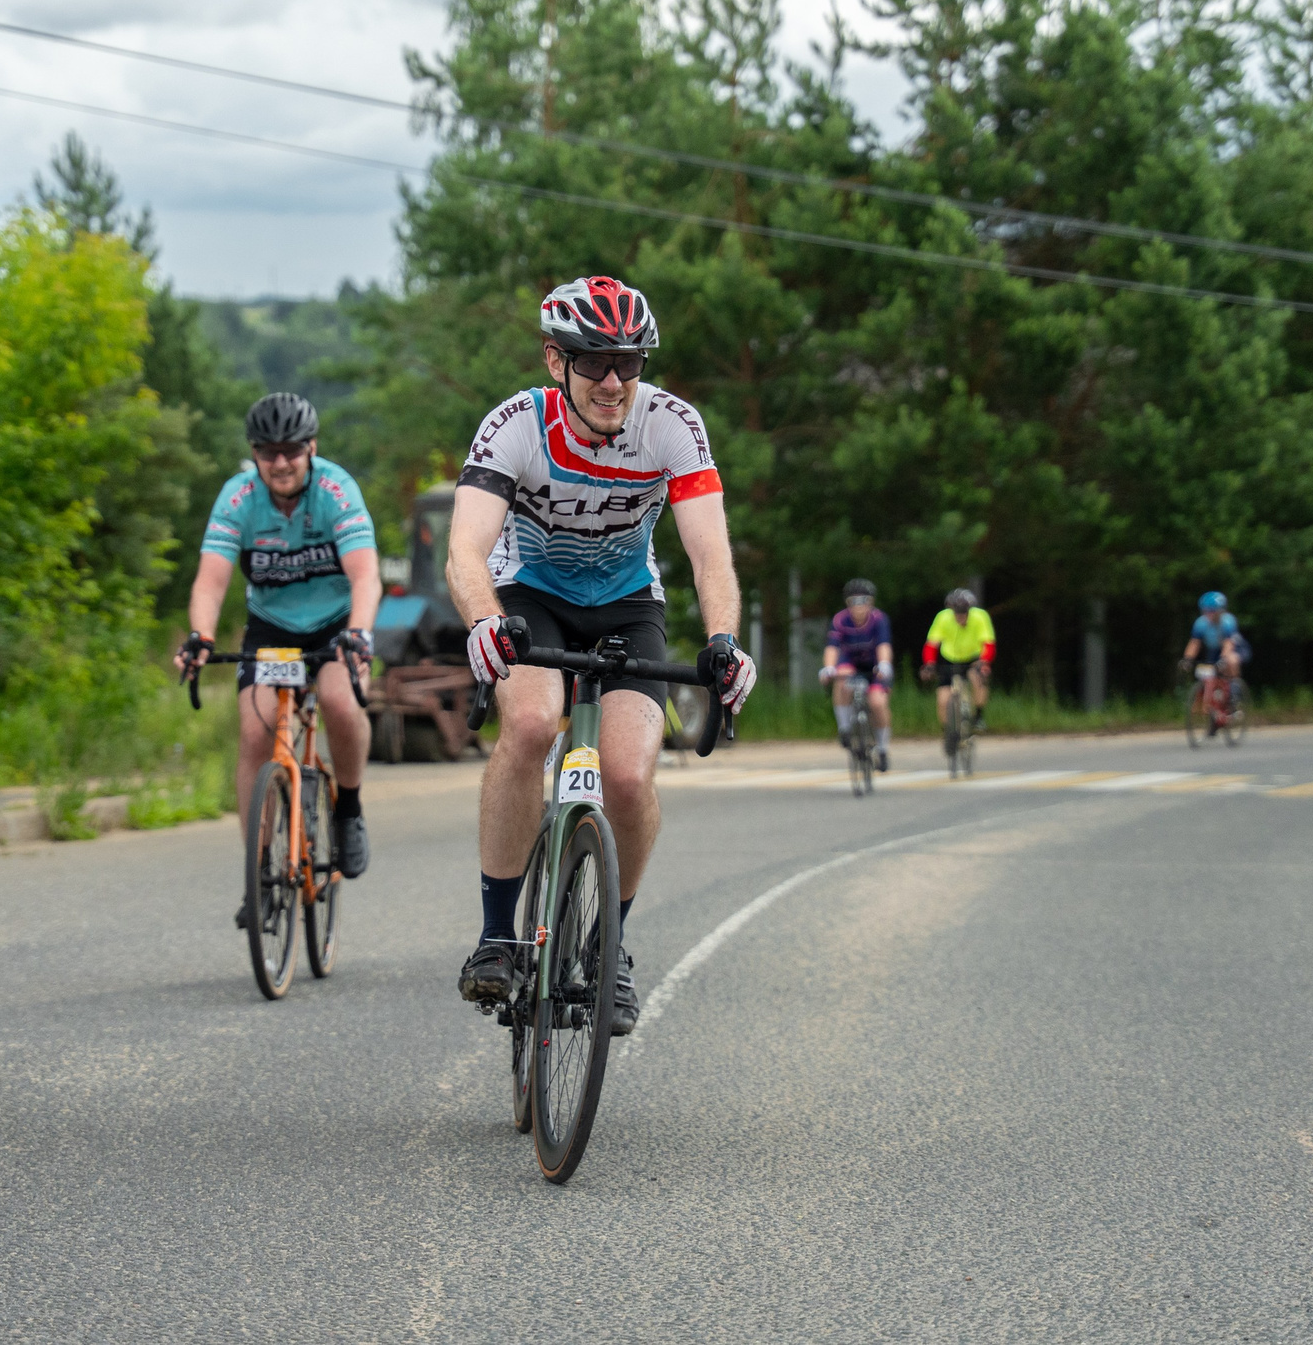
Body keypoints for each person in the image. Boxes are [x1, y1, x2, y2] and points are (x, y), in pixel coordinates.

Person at [447, 276, 756, 1036]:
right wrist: (484, 621)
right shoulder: (516, 424)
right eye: (593, 362)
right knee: (529, 725)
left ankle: (605, 943)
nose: (613, 382)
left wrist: (723, 640)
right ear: (556, 361)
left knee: (627, 773)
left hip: (627, 603)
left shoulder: (672, 425)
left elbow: (709, 554)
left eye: (629, 362)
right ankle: (498, 936)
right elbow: (465, 549)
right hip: (530, 594)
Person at [176, 393, 380, 922]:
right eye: (269, 452)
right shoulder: (239, 498)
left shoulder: (336, 490)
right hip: (271, 629)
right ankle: (260, 873)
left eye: (291, 450)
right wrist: (200, 635)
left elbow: (365, 575)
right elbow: (210, 581)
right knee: (254, 733)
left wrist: (359, 634)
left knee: (340, 702)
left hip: (335, 625)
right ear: (255, 454)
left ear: (311, 447)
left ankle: (349, 808)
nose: (281, 462)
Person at [822, 578, 895, 772]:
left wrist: (885, 664)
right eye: (854, 601)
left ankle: (882, 749)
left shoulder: (879, 619)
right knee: (842, 679)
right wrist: (828, 667)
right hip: (850, 663)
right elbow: (832, 647)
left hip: (874, 664)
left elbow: (884, 645)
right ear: (848, 603)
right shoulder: (840, 620)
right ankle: (845, 728)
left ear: (871, 602)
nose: (859, 606)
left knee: (878, 703)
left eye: (864, 601)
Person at [920, 587, 995, 733]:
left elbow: (988, 644)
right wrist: (929, 664)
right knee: (942, 699)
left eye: (964, 613)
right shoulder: (942, 617)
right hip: (949, 658)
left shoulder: (980, 617)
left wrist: (984, 662)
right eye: (957, 613)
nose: (960, 616)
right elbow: (931, 645)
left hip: (973, 658)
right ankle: (948, 732)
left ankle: (978, 716)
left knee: (978, 677)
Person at [1181, 590, 1247, 707]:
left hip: (1235, 648)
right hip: (1215, 650)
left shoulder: (1228, 621)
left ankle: (1235, 692)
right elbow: (1194, 643)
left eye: (1212, 611)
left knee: (1231, 660)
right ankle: (1213, 700)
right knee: (1208, 670)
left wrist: (1223, 659)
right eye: (1206, 611)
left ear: (1220, 611)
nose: (1209, 614)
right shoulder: (1200, 623)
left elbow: (1228, 643)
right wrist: (1188, 658)